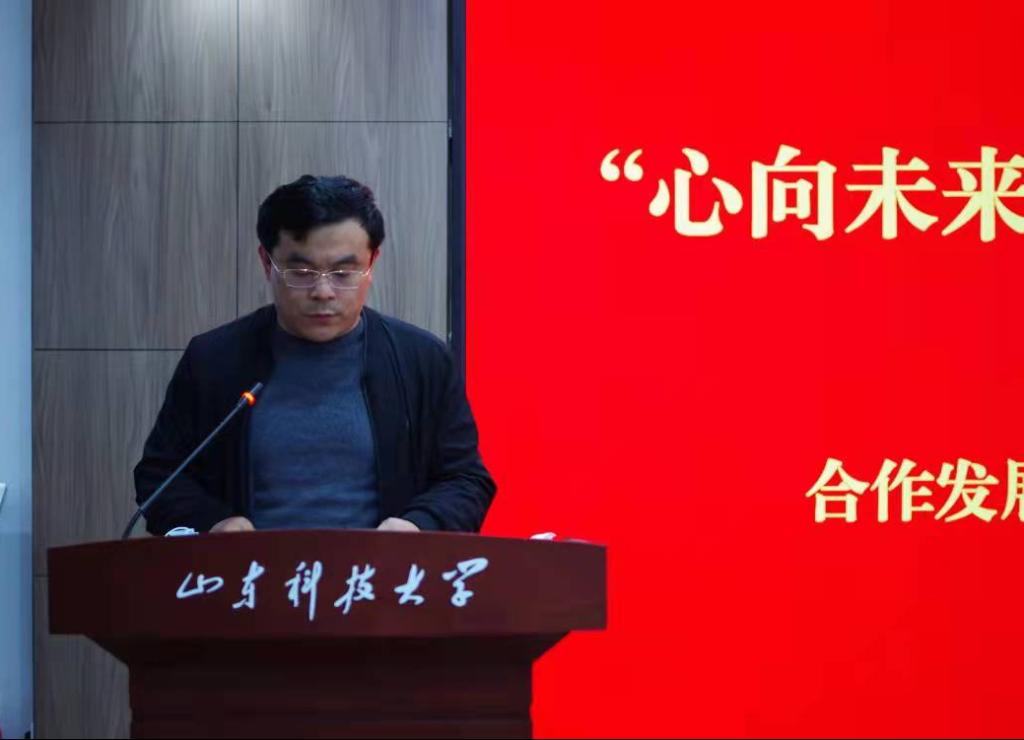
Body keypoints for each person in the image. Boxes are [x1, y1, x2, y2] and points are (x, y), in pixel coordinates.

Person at [133, 175, 495, 535]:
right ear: (266, 263)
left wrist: (417, 525)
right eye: (301, 272)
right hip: (249, 569)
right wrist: (213, 523)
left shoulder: (422, 360)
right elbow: (160, 477)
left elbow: (465, 479)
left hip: (381, 569)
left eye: (344, 273)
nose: (323, 291)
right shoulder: (214, 360)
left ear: (372, 263)